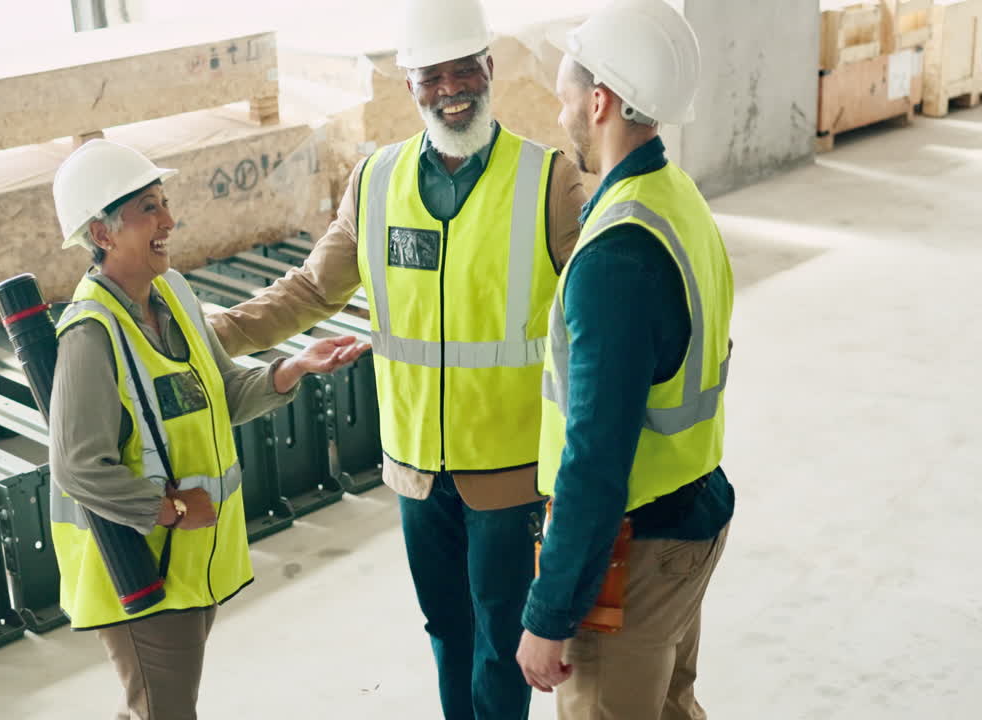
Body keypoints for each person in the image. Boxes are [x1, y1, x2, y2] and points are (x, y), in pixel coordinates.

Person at [206, 0, 587, 717]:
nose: (450, 90)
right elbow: (314, 288)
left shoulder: (548, 180)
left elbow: (600, 301)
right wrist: (211, 334)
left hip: (508, 468)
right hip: (415, 468)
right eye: (431, 77)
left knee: (501, 642)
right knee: (446, 631)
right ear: (409, 85)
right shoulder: (376, 181)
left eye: (463, 72)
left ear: (489, 69)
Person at [48, 138, 367, 720]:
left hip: (191, 560)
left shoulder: (172, 294)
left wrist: (291, 368)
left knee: (153, 705)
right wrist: (167, 510)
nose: (169, 220)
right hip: (138, 565)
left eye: (164, 203)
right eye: (149, 208)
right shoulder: (90, 333)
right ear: (102, 234)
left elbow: (219, 395)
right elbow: (76, 465)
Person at [515, 1, 736, 718]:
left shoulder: (618, 254)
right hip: (688, 520)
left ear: (600, 100)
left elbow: (596, 457)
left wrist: (549, 614)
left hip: (636, 553)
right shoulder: (674, 198)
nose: (560, 111)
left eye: (566, 94)